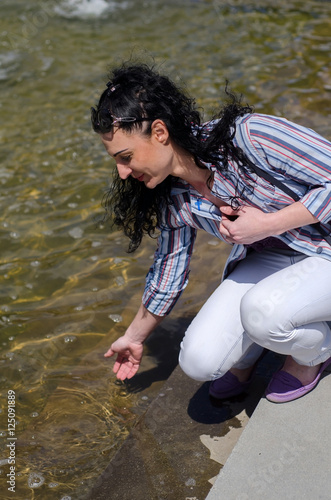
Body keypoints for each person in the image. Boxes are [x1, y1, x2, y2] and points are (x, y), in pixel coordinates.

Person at [91, 62, 331, 403]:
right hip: (278, 260)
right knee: (198, 360)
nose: (123, 172)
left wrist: (267, 224)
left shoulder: (250, 135)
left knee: (261, 313)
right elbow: (169, 271)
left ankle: (314, 352)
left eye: (125, 156)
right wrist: (134, 337)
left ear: (159, 132)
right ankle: (269, 338)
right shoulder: (173, 196)